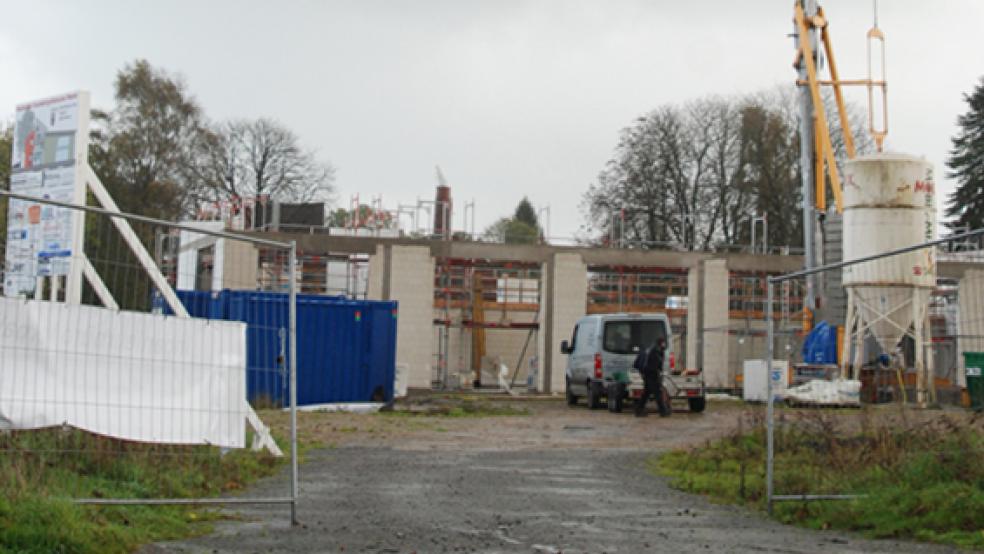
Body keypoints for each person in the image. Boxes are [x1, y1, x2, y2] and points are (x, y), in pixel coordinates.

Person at [633, 339, 671, 417]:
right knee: (657, 393)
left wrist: (642, 372)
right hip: (652, 374)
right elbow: (657, 365)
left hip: (646, 374)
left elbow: (636, 364)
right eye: (663, 344)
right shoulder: (655, 351)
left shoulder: (648, 350)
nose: (664, 346)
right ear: (661, 344)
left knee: (646, 393)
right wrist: (657, 373)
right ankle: (663, 411)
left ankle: (639, 410)